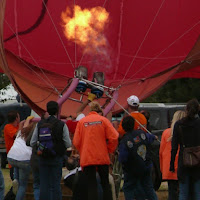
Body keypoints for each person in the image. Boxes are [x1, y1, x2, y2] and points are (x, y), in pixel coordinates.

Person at [73, 101, 119, 200]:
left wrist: (83, 151)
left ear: (90, 111)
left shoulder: (82, 122)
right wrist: (109, 150)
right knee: (105, 184)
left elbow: (76, 141)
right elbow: (114, 137)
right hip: (102, 156)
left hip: (88, 158)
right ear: (99, 111)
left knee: (91, 185)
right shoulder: (104, 120)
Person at [30, 101, 72, 200]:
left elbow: (32, 142)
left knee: (44, 184)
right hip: (56, 157)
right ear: (57, 111)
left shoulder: (40, 124)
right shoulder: (61, 124)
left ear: (47, 110)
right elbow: (68, 144)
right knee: (55, 184)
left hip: (43, 157)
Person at [119, 115, 158, 200]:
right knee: (148, 188)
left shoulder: (125, 141)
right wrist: (155, 137)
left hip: (133, 170)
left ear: (123, 127)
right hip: (146, 165)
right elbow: (150, 137)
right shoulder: (141, 133)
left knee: (128, 188)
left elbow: (123, 158)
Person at [170, 99, 200, 200]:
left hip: (183, 160)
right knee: (197, 192)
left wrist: (172, 164)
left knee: (183, 193)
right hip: (198, 160)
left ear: (186, 109)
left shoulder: (179, 124)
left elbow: (174, 147)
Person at [159, 110, 185, 200]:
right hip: (182, 167)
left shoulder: (166, 133)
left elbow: (161, 152)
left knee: (172, 193)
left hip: (169, 168)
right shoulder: (185, 133)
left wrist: (162, 169)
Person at [7, 116, 34, 200]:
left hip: (11, 157)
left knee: (18, 181)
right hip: (24, 159)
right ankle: (18, 183)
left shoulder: (20, 133)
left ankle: (16, 179)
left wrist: (27, 120)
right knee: (23, 185)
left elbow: (24, 126)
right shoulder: (33, 135)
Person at [4, 110, 23, 190]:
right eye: (18, 116)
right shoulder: (8, 127)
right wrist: (22, 125)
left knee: (20, 184)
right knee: (16, 184)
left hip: (20, 158)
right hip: (13, 159)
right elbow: (16, 135)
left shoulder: (18, 126)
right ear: (16, 118)